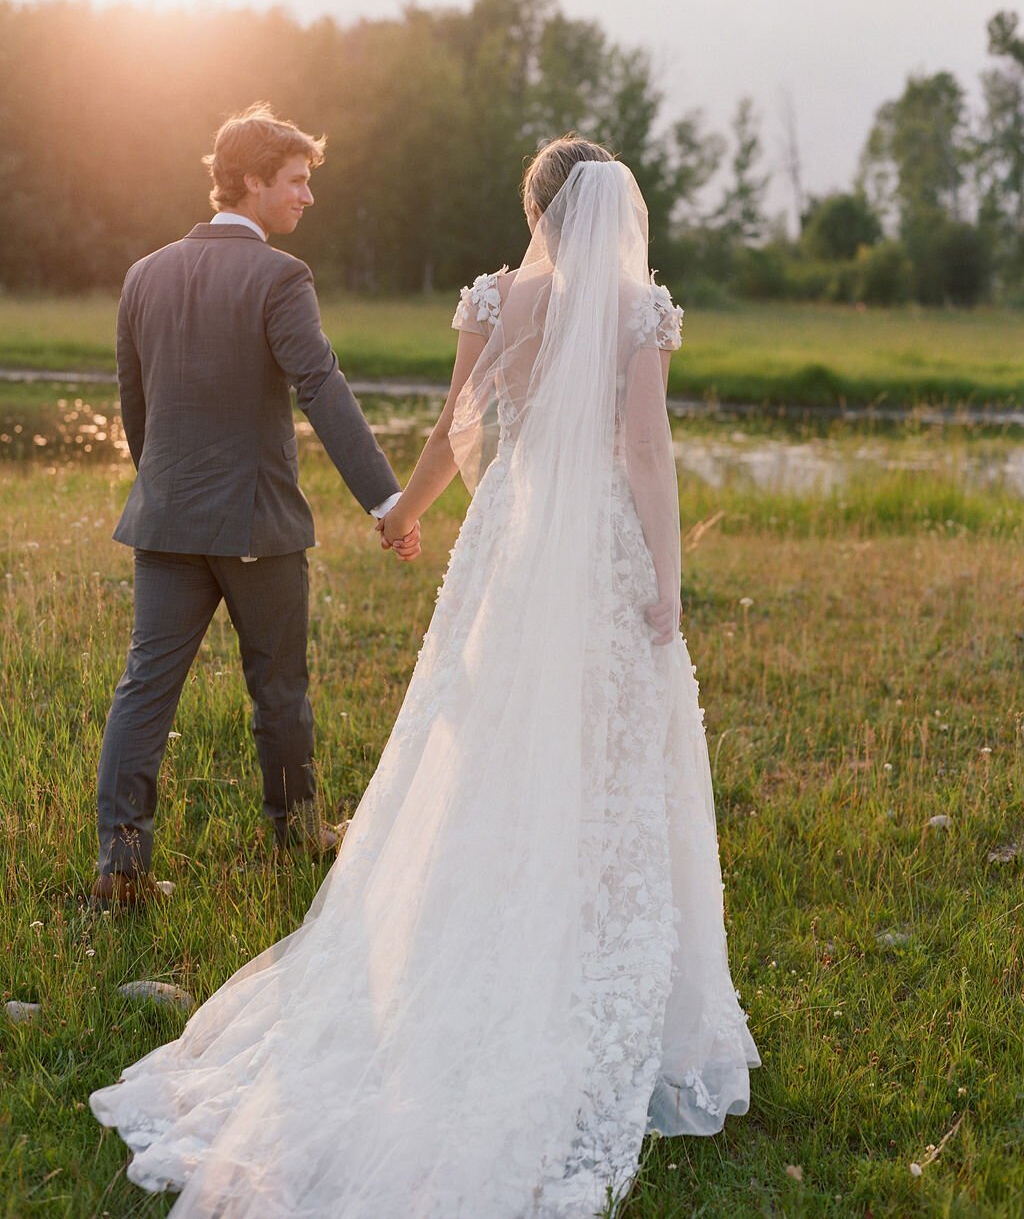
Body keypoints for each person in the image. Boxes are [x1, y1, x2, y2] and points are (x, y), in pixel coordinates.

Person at [90, 135, 759, 1215]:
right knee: (609, 753)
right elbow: (644, 453)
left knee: (484, 734)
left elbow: (459, 427)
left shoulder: (491, 301)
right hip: (592, 545)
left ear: (532, 207)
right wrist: (668, 581)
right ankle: (593, 963)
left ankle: (463, 930)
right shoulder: (641, 309)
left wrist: (408, 509)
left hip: (509, 535)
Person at [91, 104, 420, 911]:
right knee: (279, 687)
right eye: (297, 182)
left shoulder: (145, 273)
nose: (307, 198)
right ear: (250, 182)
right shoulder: (281, 277)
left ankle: (121, 869)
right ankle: (295, 831)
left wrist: (165, 490)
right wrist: (389, 499)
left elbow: (138, 409)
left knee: (145, 688)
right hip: (255, 528)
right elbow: (322, 390)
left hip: (165, 522)